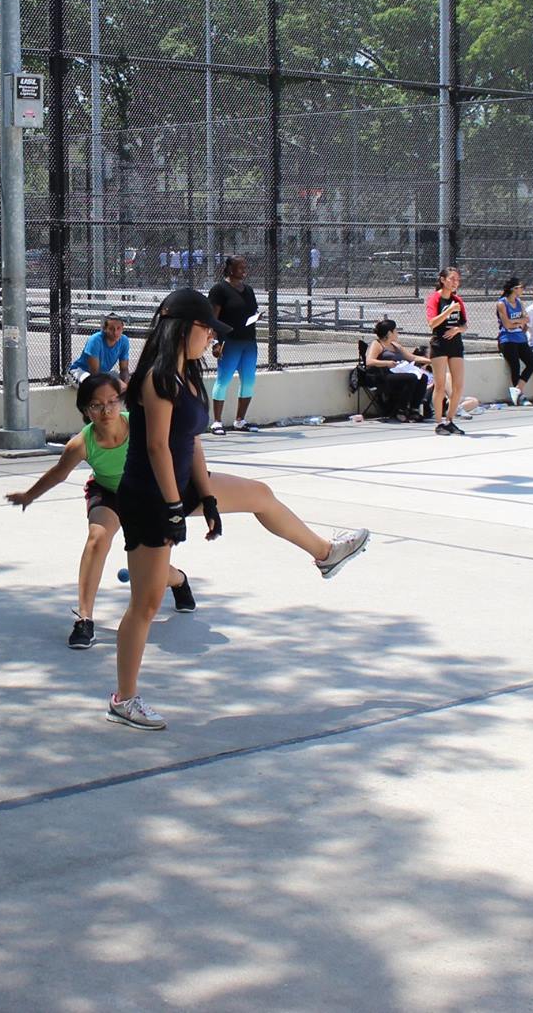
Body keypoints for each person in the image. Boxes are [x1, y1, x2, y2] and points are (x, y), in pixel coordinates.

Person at [106, 287, 371, 731]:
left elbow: (191, 442)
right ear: (184, 328)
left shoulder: (190, 374)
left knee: (260, 494)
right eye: (207, 328)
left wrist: (207, 498)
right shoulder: (157, 378)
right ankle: (123, 700)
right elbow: (155, 447)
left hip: (180, 485)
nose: (213, 336)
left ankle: (326, 553)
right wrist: (174, 507)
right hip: (149, 495)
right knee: (146, 604)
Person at [6, 372, 190, 651]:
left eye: (112, 402)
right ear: (85, 410)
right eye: (96, 405)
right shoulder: (82, 443)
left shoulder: (139, 425)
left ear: (122, 401)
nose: (106, 411)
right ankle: (84, 618)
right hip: (107, 493)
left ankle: (179, 580)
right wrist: (29, 495)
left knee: (151, 571)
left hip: (144, 496)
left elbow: (169, 452)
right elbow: (58, 473)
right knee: (97, 538)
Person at [208, 256, 262, 434]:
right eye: (240, 267)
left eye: (245, 266)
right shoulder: (219, 290)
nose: (244, 270)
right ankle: (217, 422)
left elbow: (250, 311)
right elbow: (213, 319)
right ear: (230, 269)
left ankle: (240, 420)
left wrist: (256, 317)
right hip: (229, 342)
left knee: (249, 381)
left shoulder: (249, 290)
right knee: (223, 380)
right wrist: (215, 342)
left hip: (248, 342)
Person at [425, 266, 469, 435]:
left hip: (455, 344)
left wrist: (458, 330)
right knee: (440, 385)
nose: (455, 283)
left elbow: (464, 324)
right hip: (440, 344)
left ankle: (450, 419)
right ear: (443, 280)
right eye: (452, 279)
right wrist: (449, 310)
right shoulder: (435, 299)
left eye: (457, 280)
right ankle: (439, 422)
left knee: (458, 385)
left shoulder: (458, 300)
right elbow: (432, 323)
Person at [363, 317, 432, 421]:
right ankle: (401, 410)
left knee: (423, 377)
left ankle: (414, 410)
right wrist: (387, 363)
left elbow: (412, 357)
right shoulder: (377, 344)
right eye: (395, 330)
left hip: (397, 372)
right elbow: (369, 361)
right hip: (383, 375)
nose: (397, 333)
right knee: (412, 378)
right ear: (389, 333)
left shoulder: (395, 345)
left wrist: (432, 361)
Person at [493, 277, 533, 406]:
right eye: (521, 287)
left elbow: (526, 319)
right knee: (515, 365)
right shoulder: (502, 303)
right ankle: (520, 397)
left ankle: (517, 390)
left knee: (532, 363)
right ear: (514, 289)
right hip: (507, 339)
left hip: (520, 338)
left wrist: (515, 322)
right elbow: (507, 325)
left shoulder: (519, 302)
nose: (523, 290)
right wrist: (518, 322)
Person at [75, 312, 132, 384]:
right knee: (92, 384)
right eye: (111, 329)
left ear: (122, 329)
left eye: (118, 328)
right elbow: (94, 373)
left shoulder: (124, 340)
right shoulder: (95, 340)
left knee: (120, 379)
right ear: (104, 329)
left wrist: (126, 385)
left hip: (102, 374)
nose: (115, 332)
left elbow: (124, 369)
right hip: (81, 371)